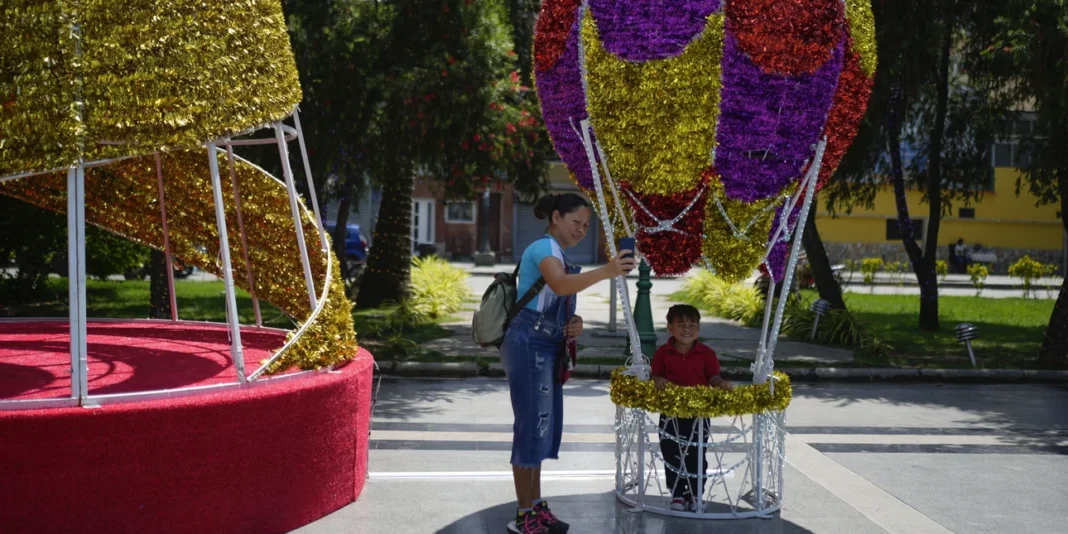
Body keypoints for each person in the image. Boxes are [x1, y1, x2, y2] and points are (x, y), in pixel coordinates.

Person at [502, 192, 636, 534]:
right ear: (556, 218)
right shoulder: (545, 248)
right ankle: (522, 516)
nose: (581, 229)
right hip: (529, 343)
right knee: (531, 428)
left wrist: (572, 322)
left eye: (586, 225)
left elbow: (555, 297)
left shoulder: (557, 252)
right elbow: (560, 285)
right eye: (576, 222)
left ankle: (534, 506)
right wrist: (607, 270)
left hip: (543, 342)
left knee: (541, 429)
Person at [651, 304, 732, 511]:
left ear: (699, 327)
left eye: (692, 325)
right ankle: (677, 494)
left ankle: (695, 494)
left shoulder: (706, 353)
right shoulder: (663, 352)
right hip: (671, 413)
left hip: (699, 413)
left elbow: (712, 377)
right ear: (670, 327)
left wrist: (721, 383)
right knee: (671, 452)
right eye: (681, 325)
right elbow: (656, 374)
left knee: (696, 454)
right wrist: (658, 379)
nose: (686, 329)